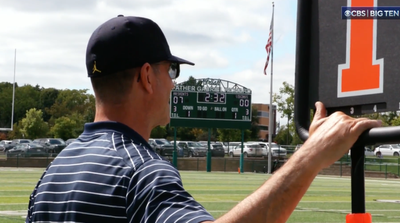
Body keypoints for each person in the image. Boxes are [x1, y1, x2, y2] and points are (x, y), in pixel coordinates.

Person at [25, 15, 382, 223]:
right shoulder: (141, 170)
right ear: (147, 77)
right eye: (172, 70)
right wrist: (311, 155)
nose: (173, 83)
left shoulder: (52, 174)